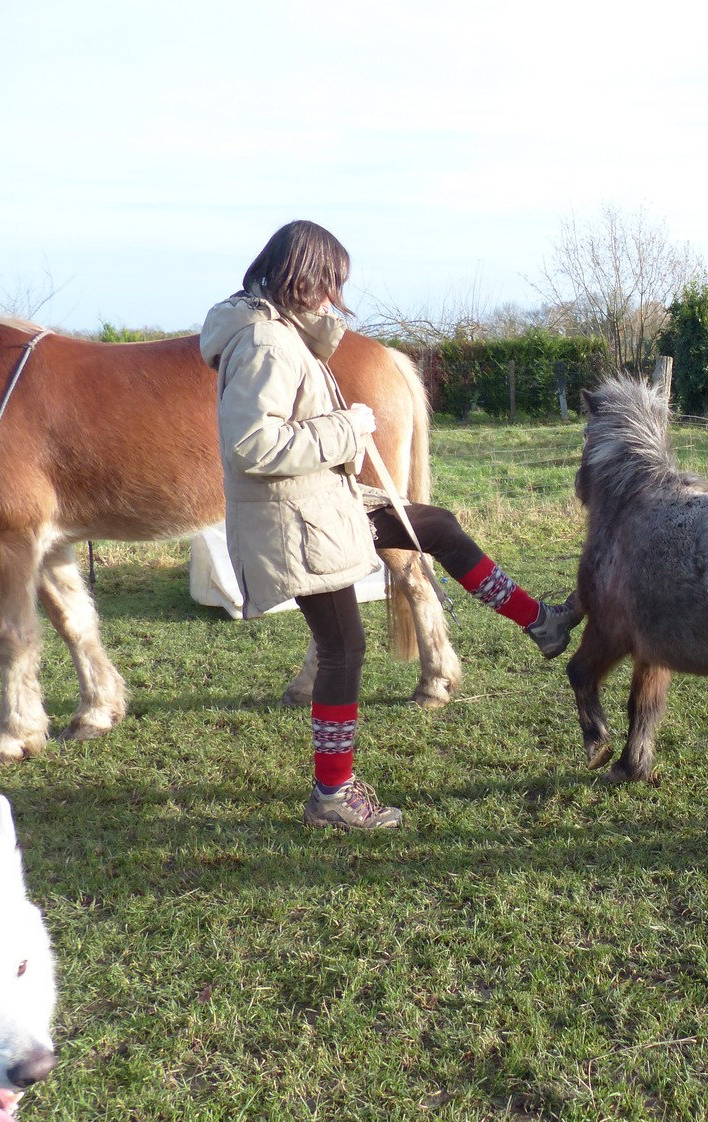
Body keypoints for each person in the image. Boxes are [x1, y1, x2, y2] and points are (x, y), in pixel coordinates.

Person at [200, 220, 582, 830]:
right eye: (331, 282)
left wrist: (333, 393)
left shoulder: (281, 333)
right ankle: (332, 796)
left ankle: (541, 622)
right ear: (303, 277)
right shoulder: (265, 343)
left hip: (322, 500)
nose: (337, 295)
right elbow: (251, 444)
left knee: (437, 527)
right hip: (296, 519)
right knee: (343, 648)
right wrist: (345, 429)